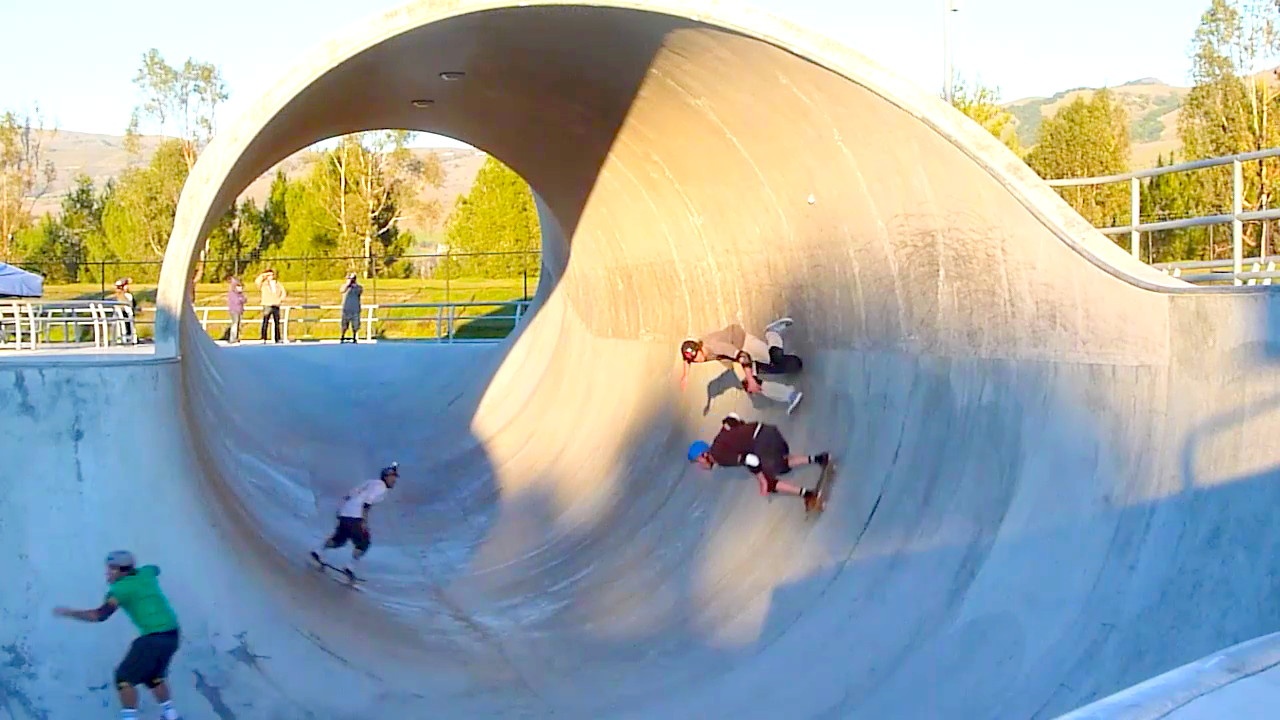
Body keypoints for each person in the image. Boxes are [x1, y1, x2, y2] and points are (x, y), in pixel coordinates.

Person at [53, 551, 182, 720]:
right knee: (154, 677)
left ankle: (129, 718)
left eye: (111, 569)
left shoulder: (120, 590)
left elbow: (100, 615)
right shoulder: (146, 573)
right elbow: (155, 569)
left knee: (124, 679)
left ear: (122, 570)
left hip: (152, 639)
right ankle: (171, 715)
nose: (107, 573)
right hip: (172, 635)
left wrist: (70, 613)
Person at [687, 413, 829, 510]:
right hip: (769, 431)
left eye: (698, 461)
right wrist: (741, 432)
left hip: (763, 443)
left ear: (704, 454)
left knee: (769, 483)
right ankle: (819, 458)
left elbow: (750, 460)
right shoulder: (720, 438)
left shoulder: (719, 455)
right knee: (781, 463)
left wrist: (762, 481)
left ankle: (809, 495)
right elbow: (732, 417)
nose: (700, 465)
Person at [679, 317, 804, 414]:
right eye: (694, 360)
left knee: (775, 359)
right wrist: (685, 375)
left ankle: (771, 332)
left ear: (699, 348)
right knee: (751, 384)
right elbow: (687, 360)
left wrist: (750, 379)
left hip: (743, 343)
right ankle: (789, 395)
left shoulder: (716, 347)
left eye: (697, 357)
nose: (698, 360)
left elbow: (743, 356)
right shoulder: (694, 354)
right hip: (734, 358)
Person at [311, 462, 400, 581]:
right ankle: (349, 567)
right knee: (364, 543)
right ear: (385, 476)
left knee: (338, 540)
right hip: (355, 517)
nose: (394, 481)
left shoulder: (370, 482)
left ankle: (318, 551)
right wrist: (363, 521)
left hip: (345, 513)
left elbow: (350, 493)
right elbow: (368, 501)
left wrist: (341, 509)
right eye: (393, 478)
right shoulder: (381, 487)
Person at [254, 268, 287, 343]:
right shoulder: (263, 284)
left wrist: (280, 300)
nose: (271, 276)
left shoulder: (278, 284)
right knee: (265, 321)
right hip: (267, 304)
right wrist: (263, 275)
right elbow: (257, 281)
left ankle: (277, 338)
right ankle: (263, 337)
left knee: (277, 322)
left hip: (276, 304)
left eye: (272, 275)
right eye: (269, 275)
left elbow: (284, 292)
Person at [339, 273, 363, 343]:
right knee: (344, 325)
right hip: (346, 310)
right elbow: (342, 290)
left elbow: (360, 291)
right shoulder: (344, 286)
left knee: (355, 325)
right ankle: (342, 336)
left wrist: (354, 286)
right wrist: (347, 285)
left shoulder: (358, 287)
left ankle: (354, 337)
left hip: (355, 310)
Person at [226, 275, 246, 344]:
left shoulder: (240, 294)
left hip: (240, 310)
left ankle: (236, 337)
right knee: (235, 323)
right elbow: (237, 301)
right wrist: (241, 299)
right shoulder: (232, 293)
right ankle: (232, 338)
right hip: (234, 310)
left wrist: (241, 299)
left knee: (238, 324)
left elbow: (244, 299)